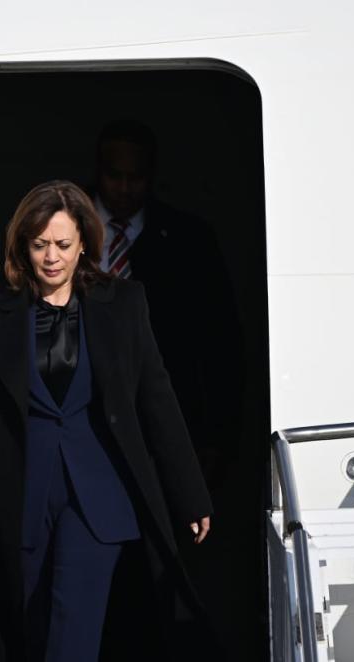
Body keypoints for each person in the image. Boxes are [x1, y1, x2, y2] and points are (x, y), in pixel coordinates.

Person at [0, 180, 212, 662]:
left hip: (98, 495)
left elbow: (156, 400)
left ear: (85, 245)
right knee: (27, 625)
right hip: (17, 495)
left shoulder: (123, 304)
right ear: (23, 246)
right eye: (40, 245)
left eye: (62, 244)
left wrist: (189, 492)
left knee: (72, 622)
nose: (52, 257)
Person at [93, 119, 243, 486]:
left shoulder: (189, 241)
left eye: (136, 177)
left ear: (152, 175)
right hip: (79, 416)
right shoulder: (60, 230)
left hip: (164, 424)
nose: (125, 189)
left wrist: (215, 437)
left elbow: (219, 344)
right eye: (115, 176)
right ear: (98, 172)